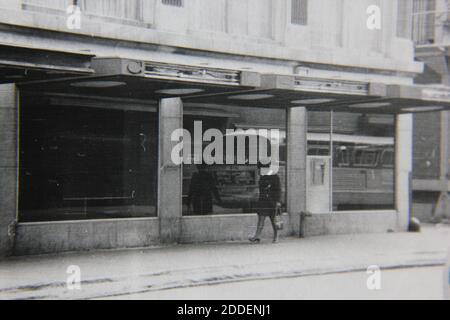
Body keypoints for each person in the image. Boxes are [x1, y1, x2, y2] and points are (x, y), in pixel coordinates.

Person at [249, 162, 281, 244]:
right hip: (263, 200)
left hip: (272, 201)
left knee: (274, 220)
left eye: (261, 168)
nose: (259, 170)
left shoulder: (275, 177)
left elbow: (278, 190)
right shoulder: (262, 177)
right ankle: (257, 236)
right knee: (261, 219)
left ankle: (276, 236)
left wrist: (278, 201)